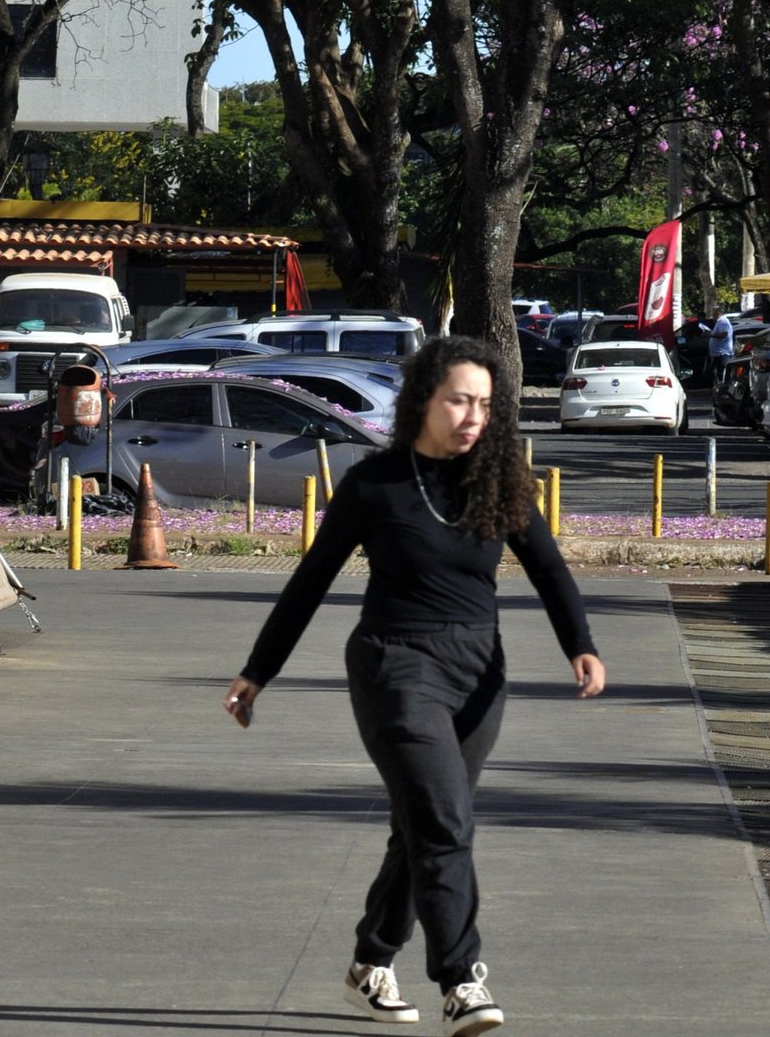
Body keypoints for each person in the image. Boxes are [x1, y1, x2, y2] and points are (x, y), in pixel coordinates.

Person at [223, 336, 606, 1033]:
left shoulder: (497, 480)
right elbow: (311, 581)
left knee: (423, 824)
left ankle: (371, 959)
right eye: (460, 400)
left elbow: (550, 569)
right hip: (393, 665)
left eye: (485, 405)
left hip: (478, 672)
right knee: (444, 821)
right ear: (423, 399)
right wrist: (259, 671)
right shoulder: (374, 485)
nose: (473, 417)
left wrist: (580, 646)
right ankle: (460, 980)